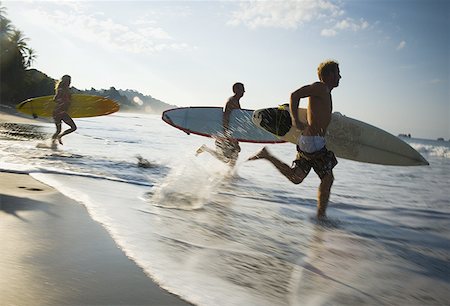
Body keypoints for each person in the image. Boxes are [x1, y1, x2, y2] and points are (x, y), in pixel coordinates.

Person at [248, 60, 341, 219]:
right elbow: (295, 95)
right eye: (337, 73)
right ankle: (321, 217)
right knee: (327, 178)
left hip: (310, 142)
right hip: (313, 142)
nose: (340, 76)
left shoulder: (324, 91)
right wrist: (295, 120)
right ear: (330, 75)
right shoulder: (320, 87)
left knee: (296, 177)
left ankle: (267, 155)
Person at [196, 82, 245, 168]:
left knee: (235, 153)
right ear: (235, 90)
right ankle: (205, 148)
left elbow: (235, 120)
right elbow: (225, 117)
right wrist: (227, 134)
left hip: (231, 133)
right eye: (241, 89)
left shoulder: (236, 102)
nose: (244, 91)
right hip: (226, 134)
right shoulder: (231, 101)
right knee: (225, 159)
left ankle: (230, 175)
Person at [52, 75, 77, 145]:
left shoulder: (66, 90)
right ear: (65, 81)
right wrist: (63, 101)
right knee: (72, 128)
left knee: (59, 130)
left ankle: (54, 142)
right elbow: (55, 99)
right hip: (59, 112)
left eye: (70, 81)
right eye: (69, 81)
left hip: (60, 113)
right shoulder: (61, 89)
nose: (70, 82)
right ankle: (55, 140)